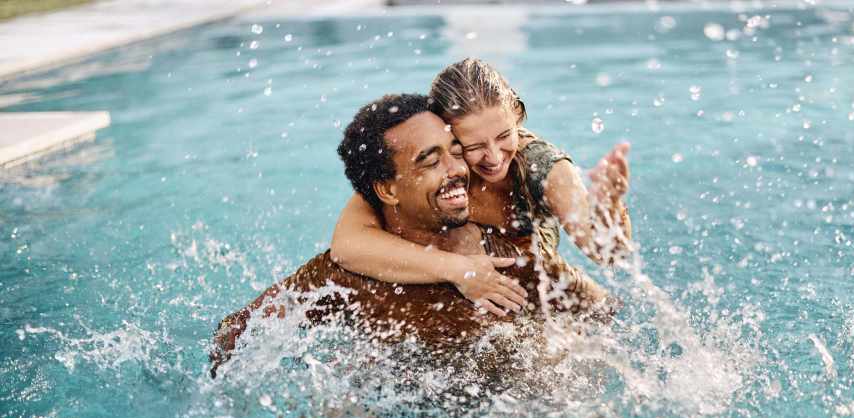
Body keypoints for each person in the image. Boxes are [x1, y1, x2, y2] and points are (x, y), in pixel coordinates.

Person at [210, 93, 608, 377]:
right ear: (387, 190)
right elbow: (236, 335)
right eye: (430, 161)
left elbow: (602, 314)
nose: (457, 170)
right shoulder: (346, 277)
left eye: (456, 151)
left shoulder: (506, 263)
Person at [329, 58, 632, 318]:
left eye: (504, 136)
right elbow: (347, 246)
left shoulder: (544, 168)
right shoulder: (438, 168)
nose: (495, 157)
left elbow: (606, 254)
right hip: (466, 273)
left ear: (516, 114)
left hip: (537, 274)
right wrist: (458, 270)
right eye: (473, 146)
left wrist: (611, 206)